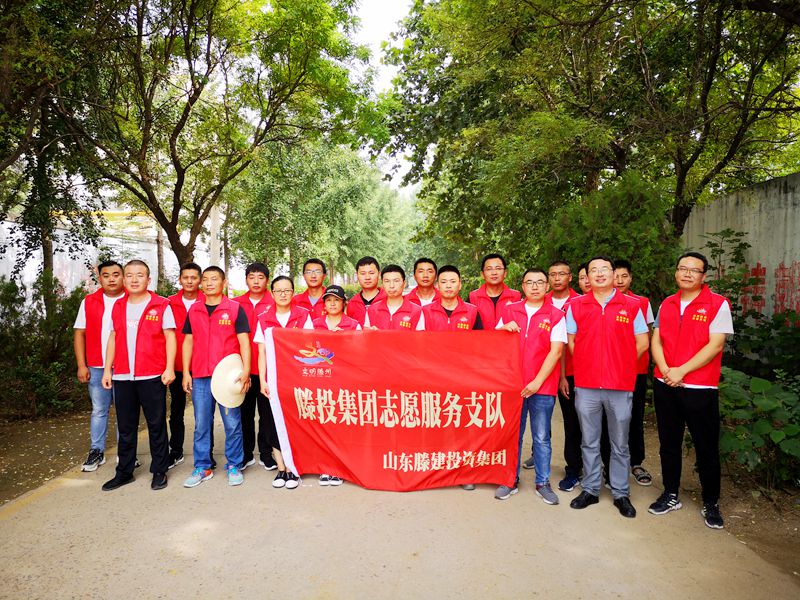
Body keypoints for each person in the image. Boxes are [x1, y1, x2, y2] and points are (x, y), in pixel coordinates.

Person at [649, 252, 733, 529]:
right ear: (676, 272)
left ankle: (711, 502)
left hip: (700, 387)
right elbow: (656, 340)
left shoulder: (718, 304)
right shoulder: (668, 303)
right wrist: (665, 369)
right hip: (665, 384)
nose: (687, 273)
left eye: (694, 270)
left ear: (704, 276)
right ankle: (670, 493)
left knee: (706, 447)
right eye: (682, 268)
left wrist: (681, 371)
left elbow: (715, 345)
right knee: (669, 443)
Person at [566, 256, 649, 518]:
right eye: (594, 270)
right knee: (589, 440)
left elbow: (643, 342)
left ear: (614, 274)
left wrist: (622, 367)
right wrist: (586, 365)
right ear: (587, 277)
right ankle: (590, 489)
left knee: (620, 442)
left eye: (605, 269)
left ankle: (621, 492)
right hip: (587, 385)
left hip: (620, 385)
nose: (600, 274)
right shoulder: (576, 305)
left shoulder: (632, 305)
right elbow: (571, 341)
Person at [100, 260, 175, 492]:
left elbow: (170, 337)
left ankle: (160, 470)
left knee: (156, 425)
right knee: (126, 427)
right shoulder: (118, 306)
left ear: (148, 279)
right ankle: (124, 472)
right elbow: (113, 337)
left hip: (151, 375)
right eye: (130, 275)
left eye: (139, 275)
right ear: (124, 279)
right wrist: (107, 369)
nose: (134, 279)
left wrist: (169, 368)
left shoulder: (161, 305)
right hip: (123, 376)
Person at [495, 269, 566, 504]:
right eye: (530, 282)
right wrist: (502, 328)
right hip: (513, 386)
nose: (535, 287)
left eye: (539, 282)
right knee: (513, 435)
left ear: (547, 287)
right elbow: (492, 341)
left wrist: (536, 382)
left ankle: (542, 482)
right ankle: (510, 479)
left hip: (542, 387)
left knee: (541, 437)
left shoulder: (556, 315)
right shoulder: (509, 311)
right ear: (523, 286)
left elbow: (556, 352)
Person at [182, 266, 251, 488]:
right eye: (206, 279)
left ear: (224, 283)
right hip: (201, 375)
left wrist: (246, 371)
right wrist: (186, 372)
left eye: (214, 279)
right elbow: (188, 342)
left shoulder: (235, 308)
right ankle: (202, 466)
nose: (209, 283)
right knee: (201, 423)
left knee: (232, 423)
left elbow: (244, 342)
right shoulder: (194, 309)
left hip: (228, 377)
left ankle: (234, 464)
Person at [523, 261, 584, 493]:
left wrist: (561, 376)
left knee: (569, 424)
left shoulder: (575, 304)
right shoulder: (521, 308)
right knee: (532, 430)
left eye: (561, 274)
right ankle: (529, 463)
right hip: (530, 379)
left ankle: (572, 470)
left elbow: (559, 349)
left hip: (567, 374)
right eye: (553, 274)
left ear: (570, 277)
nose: (557, 278)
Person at [254, 275, 313, 490]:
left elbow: (309, 346)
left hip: (296, 379)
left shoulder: (303, 315)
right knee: (272, 423)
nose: (283, 294)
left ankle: (293, 468)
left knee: (294, 423)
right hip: (272, 380)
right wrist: (262, 380)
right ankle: (281, 467)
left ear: (293, 292)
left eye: (287, 290)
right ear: (272, 293)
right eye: (278, 291)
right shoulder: (264, 318)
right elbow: (261, 353)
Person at [599, 259, 655, 486]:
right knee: (607, 418)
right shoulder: (603, 303)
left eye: (625, 276)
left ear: (631, 278)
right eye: (616, 276)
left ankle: (636, 462)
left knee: (634, 417)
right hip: (608, 373)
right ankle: (607, 464)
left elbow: (646, 337)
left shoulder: (641, 303)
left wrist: (625, 362)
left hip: (635, 370)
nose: (620, 280)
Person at [74, 260, 126, 472]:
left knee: (125, 411)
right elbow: (80, 333)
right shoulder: (89, 302)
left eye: (116, 274)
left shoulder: (132, 299)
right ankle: (96, 451)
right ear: (99, 278)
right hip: (96, 365)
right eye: (106, 275)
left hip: (125, 366)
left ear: (123, 276)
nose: (111, 279)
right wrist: (81, 365)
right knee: (99, 410)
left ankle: (126, 453)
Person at [312, 284, 360, 486]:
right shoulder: (314, 324)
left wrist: (345, 340)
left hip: (345, 382)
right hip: (321, 381)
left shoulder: (353, 325)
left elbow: (361, 353)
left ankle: (339, 468)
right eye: (329, 300)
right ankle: (325, 467)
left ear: (344, 303)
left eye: (336, 300)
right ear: (324, 304)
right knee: (323, 424)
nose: (332, 304)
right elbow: (306, 348)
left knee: (341, 424)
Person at [233, 262, 277, 472]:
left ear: (267, 280)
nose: (256, 281)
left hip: (267, 369)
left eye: (260, 277)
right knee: (245, 413)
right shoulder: (235, 304)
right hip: (243, 368)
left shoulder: (275, 302)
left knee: (267, 414)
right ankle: (246, 453)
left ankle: (267, 453)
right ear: (246, 280)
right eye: (252, 277)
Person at [166, 262, 205, 469]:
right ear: (180, 279)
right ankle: (176, 450)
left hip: (202, 366)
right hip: (177, 365)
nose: (190, 281)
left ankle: (206, 453)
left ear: (200, 280)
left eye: (194, 278)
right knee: (176, 410)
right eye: (186, 277)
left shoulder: (208, 301)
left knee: (203, 412)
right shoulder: (169, 303)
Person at [468, 253, 521, 330]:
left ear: (505, 273)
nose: (494, 273)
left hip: (508, 338)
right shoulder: (473, 297)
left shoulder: (516, 297)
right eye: (489, 269)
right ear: (482, 274)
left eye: (498, 268)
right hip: (480, 338)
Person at [365, 265, 425, 330]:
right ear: (382, 284)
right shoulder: (372, 310)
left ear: (404, 284)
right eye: (387, 281)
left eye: (396, 281)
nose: (391, 286)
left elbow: (421, 336)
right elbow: (366, 333)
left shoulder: (417, 311)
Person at [346, 256, 387, 326]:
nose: (367, 277)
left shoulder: (388, 299)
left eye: (371, 273)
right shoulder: (352, 304)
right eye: (363, 273)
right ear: (357, 275)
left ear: (379, 274)